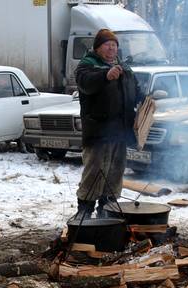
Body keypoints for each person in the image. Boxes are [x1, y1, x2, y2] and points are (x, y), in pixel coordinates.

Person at [74, 29, 144, 219]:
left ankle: (108, 209)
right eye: (107, 44)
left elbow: (136, 90)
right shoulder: (87, 66)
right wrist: (105, 76)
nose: (112, 48)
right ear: (97, 48)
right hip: (98, 131)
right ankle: (84, 211)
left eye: (114, 45)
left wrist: (147, 100)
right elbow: (86, 83)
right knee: (95, 171)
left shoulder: (124, 68)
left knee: (115, 170)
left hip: (120, 131)